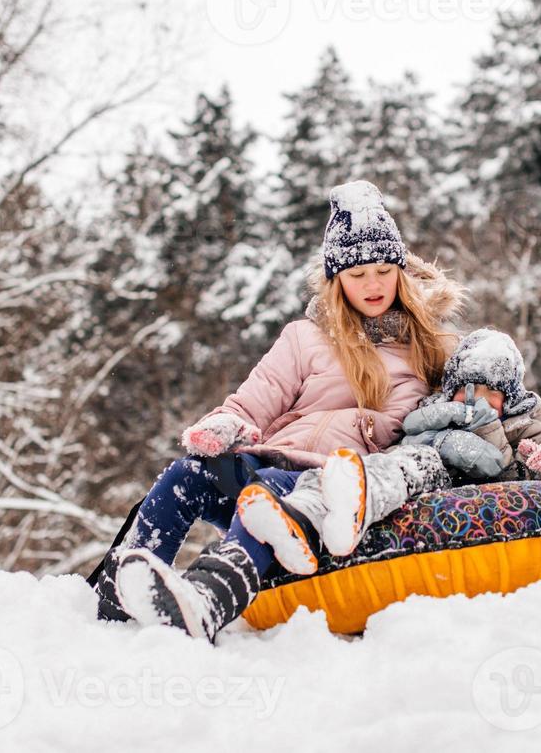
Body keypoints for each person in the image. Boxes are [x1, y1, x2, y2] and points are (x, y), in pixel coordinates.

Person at [102, 180, 465, 641]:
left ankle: (207, 598)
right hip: (269, 460)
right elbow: (256, 398)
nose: (372, 285)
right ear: (336, 281)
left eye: (382, 271)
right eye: (357, 275)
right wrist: (227, 423)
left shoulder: (429, 350)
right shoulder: (304, 337)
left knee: (272, 491)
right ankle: (117, 598)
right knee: (185, 476)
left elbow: (476, 412)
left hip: (331, 486)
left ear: (400, 272)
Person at [235, 328, 541, 576]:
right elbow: (404, 445)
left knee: (423, 464)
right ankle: (305, 510)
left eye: (490, 392)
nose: (476, 400)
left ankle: (353, 501)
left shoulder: (525, 424)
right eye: (467, 390)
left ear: (511, 397)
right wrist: (435, 438)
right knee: (403, 462)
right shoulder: (435, 411)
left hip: (466, 496)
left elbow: (526, 480)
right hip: (426, 475)